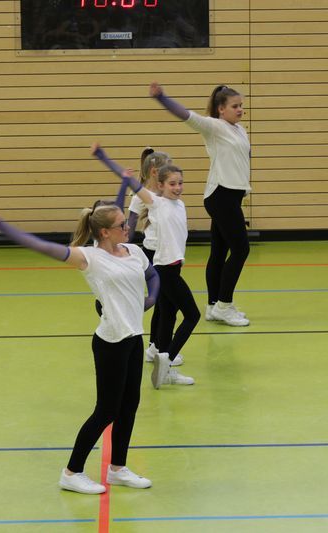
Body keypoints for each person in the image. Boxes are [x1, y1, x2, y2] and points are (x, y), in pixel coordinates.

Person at [0, 193, 159, 495]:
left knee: (129, 406)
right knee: (106, 410)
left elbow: (152, 275)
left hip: (133, 338)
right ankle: (72, 471)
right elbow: (43, 247)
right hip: (111, 342)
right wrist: (3, 226)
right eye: (121, 225)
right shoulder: (89, 258)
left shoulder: (133, 250)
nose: (128, 227)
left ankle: (117, 468)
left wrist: (150, 299)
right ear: (104, 232)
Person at [92, 144, 197, 389]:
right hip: (164, 268)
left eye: (180, 183)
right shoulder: (156, 203)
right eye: (172, 184)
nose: (177, 187)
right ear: (160, 184)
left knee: (168, 313)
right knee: (192, 315)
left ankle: (160, 354)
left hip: (173, 267)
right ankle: (166, 362)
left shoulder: (180, 204)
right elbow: (133, 183)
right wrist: (103, 157)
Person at [150, 82, 251, 327]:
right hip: (221, 195)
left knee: (219, 252)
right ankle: (224, 305)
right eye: (234, 106)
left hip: (232, 196)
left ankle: (213, 306)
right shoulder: (214, 127)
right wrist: (162, 98)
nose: (240, 110)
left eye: (241, 105)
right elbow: (186, 115)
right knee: (241, 250)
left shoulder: (239, 129)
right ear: (221, 109)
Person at [125, 147, 182, 367]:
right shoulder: (142, 197)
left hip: (167, 253)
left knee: (164, 304)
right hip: (154, 253)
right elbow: (129, 230)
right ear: (155, 172)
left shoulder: (164, 193)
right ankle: (157, 347)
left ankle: (155, 346)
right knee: (165, 303)